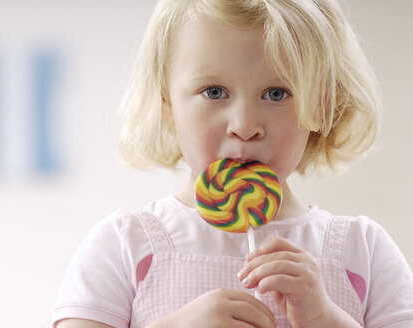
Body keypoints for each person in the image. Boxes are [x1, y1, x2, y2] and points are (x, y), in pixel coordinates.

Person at [52, 0, 413, 327]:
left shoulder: (360, 250)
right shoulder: (125, 244)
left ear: (322, 104)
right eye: (214, 92)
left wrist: (323, 317)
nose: (244, 126)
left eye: (277, 93)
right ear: (167, 102)